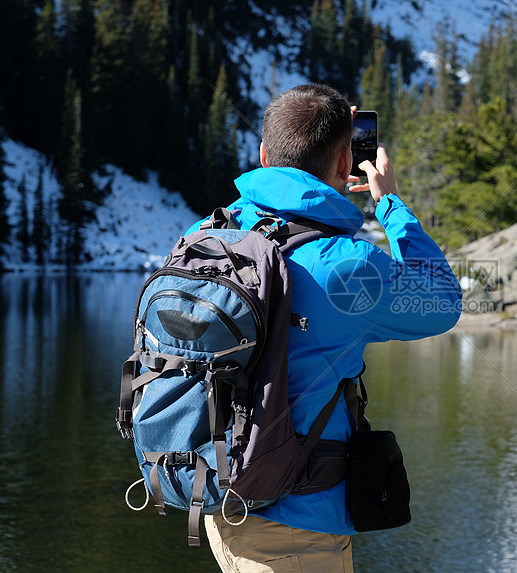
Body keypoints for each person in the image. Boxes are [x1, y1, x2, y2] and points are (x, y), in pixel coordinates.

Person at [186, 84, 462, 572]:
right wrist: (391, 204)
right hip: (297, 523)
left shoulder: (206, 235)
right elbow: (441, 301)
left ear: (265, 155)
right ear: (343, 165)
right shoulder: (345, 265)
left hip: (218, 496)